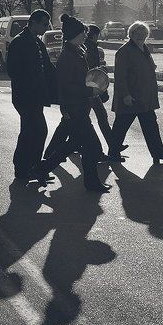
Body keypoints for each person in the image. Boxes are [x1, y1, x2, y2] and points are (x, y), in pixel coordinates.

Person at [39, 14, 111, 192]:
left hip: (79, 106)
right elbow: (67, 85)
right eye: (82, 33)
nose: (85, 36)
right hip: (75, 107)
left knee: (74, 143)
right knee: (92, 146)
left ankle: (41, 169)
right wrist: (90, 91)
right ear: (75, 35)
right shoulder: (68, 56)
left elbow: (79, 79)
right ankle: (91, 182)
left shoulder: (77, 51)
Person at [109, 21, 163, 163]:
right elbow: (120, 76)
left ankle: (158, 153)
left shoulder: (144, 48)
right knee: (121, 127)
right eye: (137, 33)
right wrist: (126, 95)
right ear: (131, 34)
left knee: (151, 127)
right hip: (131, 97)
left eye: (144, 34)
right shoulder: (124, 51)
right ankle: (113, 153)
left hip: (144, 96)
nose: (141, 36)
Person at [6, 9, 56, 181]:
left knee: (34, 131)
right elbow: (13, 70)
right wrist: (30, 83)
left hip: (36, 96)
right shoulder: (19, 42)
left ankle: (32, 167)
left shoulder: (37, 42)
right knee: (33, 131)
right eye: (44, 24)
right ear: (33, 22)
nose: (46, 28)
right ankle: (23, 168)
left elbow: (48, 68)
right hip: (25, 97)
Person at [83, 24, 114, 150]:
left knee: (96, 116)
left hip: (91, 86)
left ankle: (113, 145)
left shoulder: (90, 47)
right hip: (91, 87)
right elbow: (91, 68)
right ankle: (113, 145)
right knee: (99, 116)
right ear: (95, 35)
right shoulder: (90, 48)